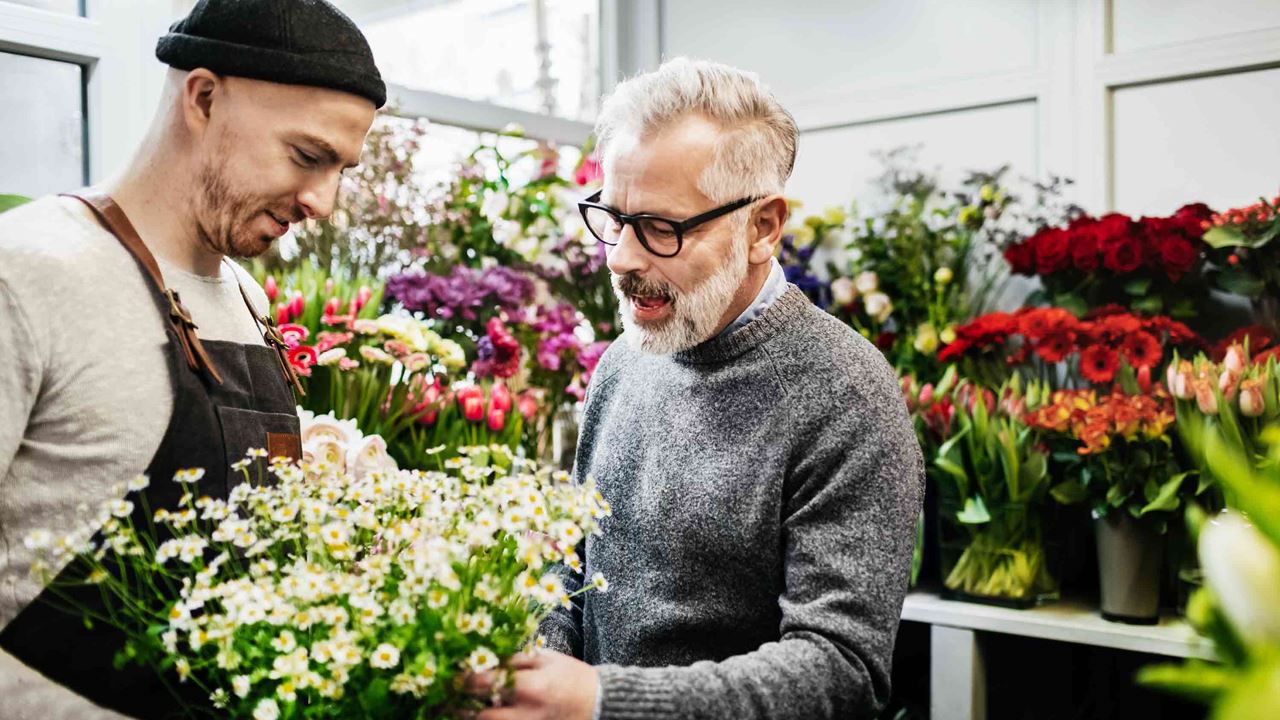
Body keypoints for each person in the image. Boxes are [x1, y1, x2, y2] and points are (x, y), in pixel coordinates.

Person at [470, 58, 925, 720]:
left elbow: (841, 670)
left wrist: (602, 700)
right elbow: (572, 567)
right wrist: (532, 666)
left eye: (661, 227)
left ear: (764, 226)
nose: (622, 257)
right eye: (615, 218)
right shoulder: (623, 363)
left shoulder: (844, 392)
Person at [0, 0, 383, 716]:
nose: (325, 202)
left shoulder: (245, 299)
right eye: (307, 156)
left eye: (342, 170)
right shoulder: (25, 277)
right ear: (202, 97)